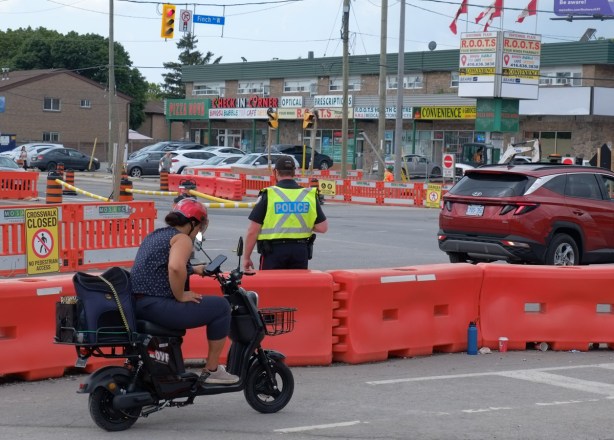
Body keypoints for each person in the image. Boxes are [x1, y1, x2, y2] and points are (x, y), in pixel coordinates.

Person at [130, 198, 239, 385]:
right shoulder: (183, 239)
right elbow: (174, 267)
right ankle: (212, 369)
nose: (198, 231)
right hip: (157, 305)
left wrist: (194, 269)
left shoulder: (157, 235)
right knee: (221, 307)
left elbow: (160, 266)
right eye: (199, 226)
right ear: (193, 223)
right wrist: (181, 295)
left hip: (139, 304)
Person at [244, 155, 328, 271]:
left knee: (271, 288)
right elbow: (322, 227)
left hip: (273, 252)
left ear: (275, 172)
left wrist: (246, 257)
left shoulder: (268, 194)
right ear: (294, 172)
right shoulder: (308, 195)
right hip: (300, 252)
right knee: (296, 287)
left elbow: (253, 231)